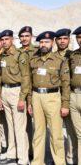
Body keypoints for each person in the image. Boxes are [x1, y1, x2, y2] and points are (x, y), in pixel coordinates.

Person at [30, 31, 70, 165]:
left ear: (52, 43)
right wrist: (30, 102)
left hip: (53, 97)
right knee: (38, 133)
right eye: (41, 42)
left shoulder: (60, 60)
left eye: (46, 42)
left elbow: (65, 84)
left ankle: (59, 162)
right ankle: (37, 162)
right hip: (36, 97)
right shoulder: (34, 60)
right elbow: (29, 81)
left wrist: (65, 105)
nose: (43, 44)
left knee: (56, 133)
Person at [0, 30, 30, 165]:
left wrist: (22, 98)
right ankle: (12, 154)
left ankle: (23, 159)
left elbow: (26, 77)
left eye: (7, 39)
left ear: (12, 39)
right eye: (3, 39)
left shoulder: (20, 55)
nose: (4, 42)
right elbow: (0, 76)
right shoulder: (3, 56)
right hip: (5, 91)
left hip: (17, 91)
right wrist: (0, 95)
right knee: (10, 126)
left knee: (19, 127)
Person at [55, 28, 78, 165]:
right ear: (56, 40)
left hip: (72, 95)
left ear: (69, 40)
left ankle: (72, 158)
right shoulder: (53, 56)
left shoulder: (73, 55)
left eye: (65, 38)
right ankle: (59, 159)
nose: (62, 41)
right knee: (58, 131)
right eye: (59, 39)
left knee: (73, 131)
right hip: (56, 96)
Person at [18, 26, 38, 160]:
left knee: (37, 125)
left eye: (27, 35)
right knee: (24, 125)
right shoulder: (17, 52)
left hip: (35, 90)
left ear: (31, 36)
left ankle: (36, 153)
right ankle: (27, 152)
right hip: (21, 90)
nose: (24, 38)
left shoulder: (37, 51)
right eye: (22, 36)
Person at [70, 26, 81, 165]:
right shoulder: (73, 56)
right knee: (79, 134)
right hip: (74, 95)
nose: (80, 40)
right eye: (79, 37)